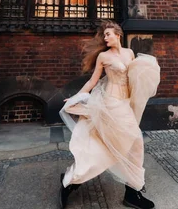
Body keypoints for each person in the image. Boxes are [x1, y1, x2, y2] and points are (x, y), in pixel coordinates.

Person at [59, 21, 160, 209]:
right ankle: (72, 181)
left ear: (118, 35)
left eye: (108, 34)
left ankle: (130, 192)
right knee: (132, 142)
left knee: (125, 146)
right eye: (104, 35)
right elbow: (92, 81)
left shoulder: (129, 53)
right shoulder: (103, 57)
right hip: (111, 103)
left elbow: (134, 77)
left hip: (125, 103)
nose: (105, 38)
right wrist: (76, 97)